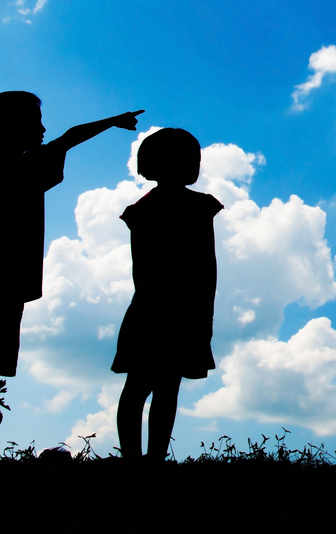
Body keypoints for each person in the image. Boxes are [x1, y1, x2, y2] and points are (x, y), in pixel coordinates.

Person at [0, 91, 143, 459]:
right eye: (34, 121)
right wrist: (111, 122)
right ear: (10, 126)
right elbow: (68, 137)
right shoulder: (25, 168)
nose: (42, 128)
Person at [112, 127, 223, 461]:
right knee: (160, 388)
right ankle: (148, 459)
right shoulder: (199, 207)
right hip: (178, 309)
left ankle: (138, 459)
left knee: (144, 386)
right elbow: (207, 267)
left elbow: (145, 270)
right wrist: (204, 312)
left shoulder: (143, 209)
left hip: (152, 306)